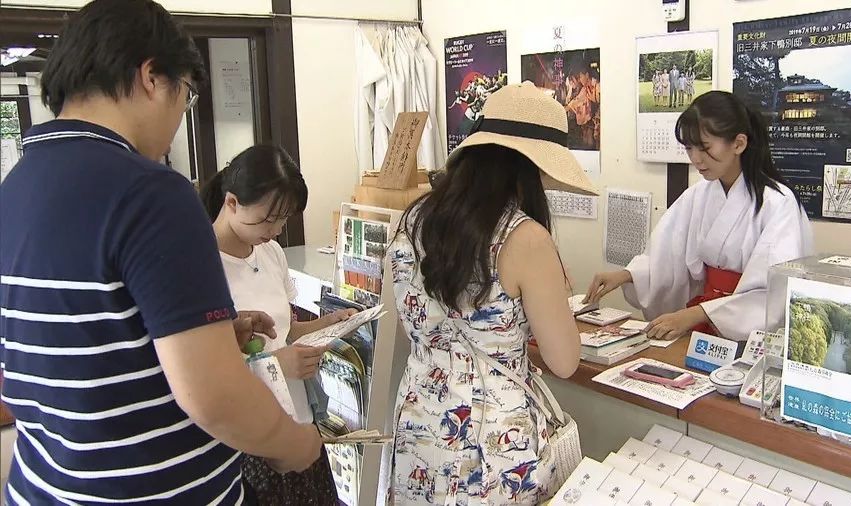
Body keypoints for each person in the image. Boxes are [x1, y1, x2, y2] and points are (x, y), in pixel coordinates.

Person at [0, 1, 322, 503]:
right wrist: (293, 443)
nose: (179, 118)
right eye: (188, 96)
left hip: (47, 486)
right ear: (152, 76)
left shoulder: (15, 188)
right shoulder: (151, 192)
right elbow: (213, 396)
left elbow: (77, 344)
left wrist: (213, 338)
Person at [388, 82, 600, 505]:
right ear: (528, 167)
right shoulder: (526, 239)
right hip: (494, 444)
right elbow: (563, 360)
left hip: (420, 426)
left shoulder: (413, 219)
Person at [584, 91, 813, 342]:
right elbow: (668, 254)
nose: (696, 158)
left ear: (738, 143)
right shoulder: (699, 195)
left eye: (704, 148)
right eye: (689, 148)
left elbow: (771, 292)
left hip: (747, 333)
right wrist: (627, 275)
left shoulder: (778, 204)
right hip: (702, 319)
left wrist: (696, 314)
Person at [200, 145, 355, 505]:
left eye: (284, 219)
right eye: (267, 219)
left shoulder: (270, 253)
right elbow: (199, 371)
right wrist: (274, 365)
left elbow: (283, 333)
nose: (276, 230)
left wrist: (331, 324)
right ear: (232, 202)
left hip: (297, 420)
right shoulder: (201, 264)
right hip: (247, 436)